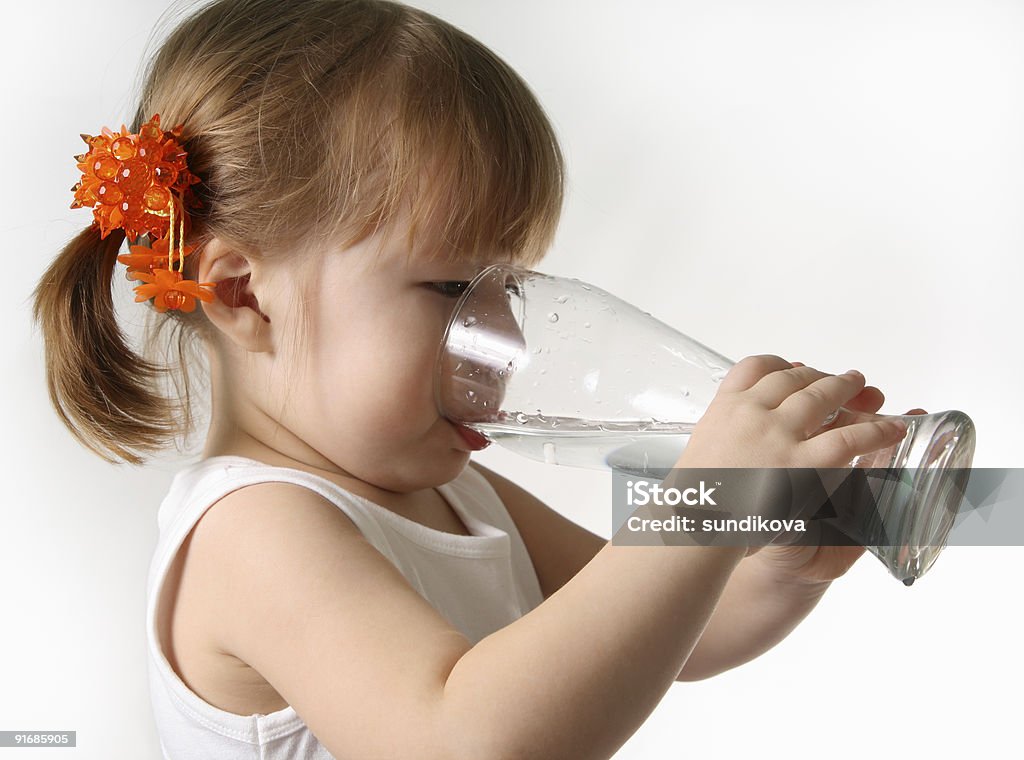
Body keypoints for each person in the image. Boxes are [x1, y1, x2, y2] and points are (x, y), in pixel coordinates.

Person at [31, 1, 924, 757]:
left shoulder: (456, 490)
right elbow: (467, 738)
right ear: (242, 296)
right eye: (455, 289)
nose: (503, 339)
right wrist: (694, 511)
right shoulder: (253, 530)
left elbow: (660, 634)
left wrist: (776, 565)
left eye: (514, 291)